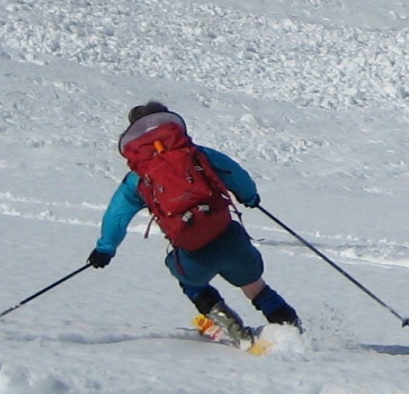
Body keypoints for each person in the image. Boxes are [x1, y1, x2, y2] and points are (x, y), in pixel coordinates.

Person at [87, 102, 301, 341]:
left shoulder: (138, 178)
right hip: (229, 238)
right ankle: (290, 328)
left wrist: (105, 250)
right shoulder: (198, 154)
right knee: (255, 286)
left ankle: (234, 331)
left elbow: (117, 215)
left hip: (191, 253)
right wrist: (249, 197)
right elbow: (237, 175)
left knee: (189, 280)